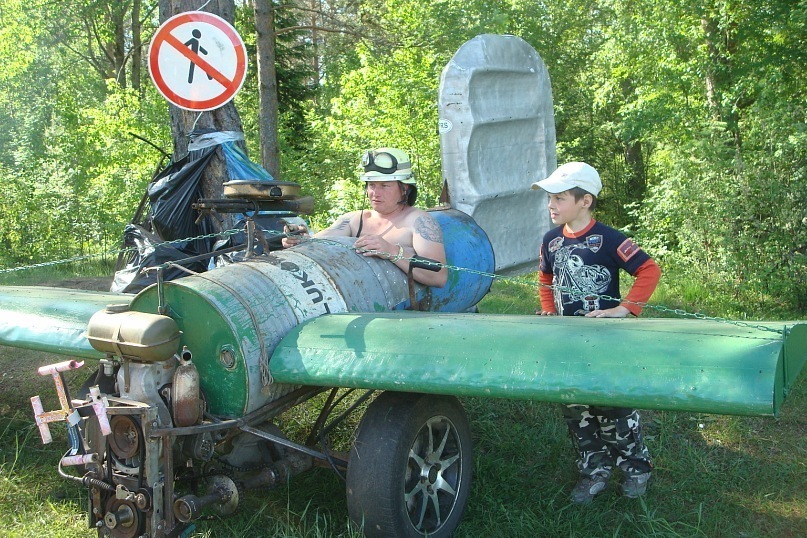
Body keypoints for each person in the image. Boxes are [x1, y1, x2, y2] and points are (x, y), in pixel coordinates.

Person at [531, 161, 662, 504]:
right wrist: (548, 311)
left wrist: (625, 308)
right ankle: (594, 470)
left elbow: (649, 270)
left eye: (559, 198)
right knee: (576, 408)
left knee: (613, 405)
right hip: (566, 343)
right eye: (550, 198)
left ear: (584, 201)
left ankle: (637, 468)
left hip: (605, 343)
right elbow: (546, 279)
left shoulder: (611, 240)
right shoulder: (550, 242)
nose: (551, 205)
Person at [281, 148, 447, 287]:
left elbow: (439, 277)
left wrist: (392, 251)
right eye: (371, 185)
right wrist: (299, 240)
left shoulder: (419, 221)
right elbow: (317, 240)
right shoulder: (355, 220)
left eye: (384, 185)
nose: (375, 193)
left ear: (404, 189)